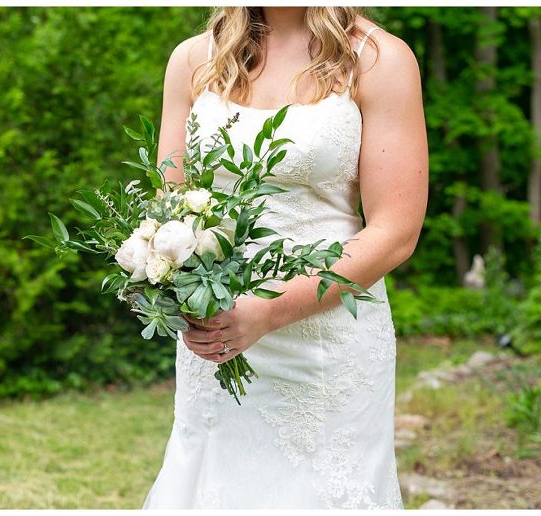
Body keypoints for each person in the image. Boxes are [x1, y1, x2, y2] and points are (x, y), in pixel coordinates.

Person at [143, 6, 427, 509]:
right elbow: (169, 208)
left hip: (327, 343)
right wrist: (180, 292)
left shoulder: (379, 60)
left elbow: (395, 232)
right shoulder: (193, 59)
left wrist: (271, 308)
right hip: (220, 332)